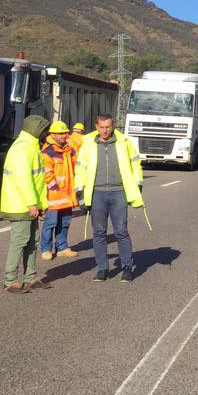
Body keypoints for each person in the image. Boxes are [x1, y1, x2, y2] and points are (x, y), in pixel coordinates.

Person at [75, 113, 145, 283]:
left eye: (108, 127)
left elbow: (135, 163)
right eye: (101, 127)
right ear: (96, 126)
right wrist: (80, 192)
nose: (105, 130)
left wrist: (138, 184)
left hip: (119, 191)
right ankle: (102, 269)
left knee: (121, 231)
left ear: (113, 126)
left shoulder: (124, 142)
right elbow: (81, 169)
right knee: (99, 233)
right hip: (96, 192)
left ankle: (127, 267)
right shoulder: (88, 145)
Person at [0, 115, 52, 293]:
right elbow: (24, 180)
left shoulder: (31, 146)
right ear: (37, 130)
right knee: (20, 242)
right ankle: (10, 281)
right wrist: (32, 203)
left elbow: (37, 181)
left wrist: (41, 205)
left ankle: (30, 278)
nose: (47, 134)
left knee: (31, 242)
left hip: (29, 205)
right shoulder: (24, 149)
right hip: (20, 205)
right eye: (45, 130)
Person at [39, 121, 78, 260]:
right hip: (54, 196)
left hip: (67, 194)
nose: (64, 136)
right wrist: (55, 188)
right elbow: (47, 174)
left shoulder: (69, 150)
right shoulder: (48, 151)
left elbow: (76, 169)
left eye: (65, 133)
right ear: (52, 134)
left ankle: (62, 248)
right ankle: (46, 249)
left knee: (65, 222)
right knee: (50, 223)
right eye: (60, 133)